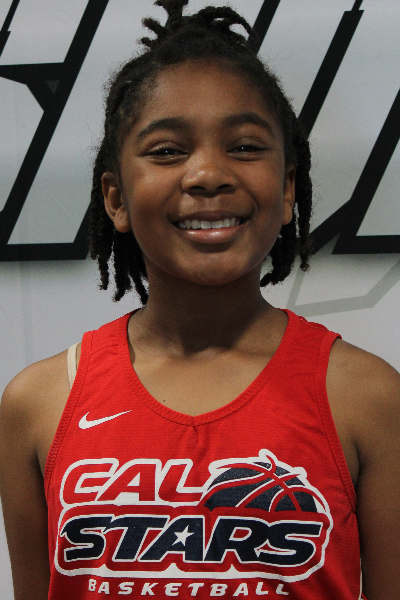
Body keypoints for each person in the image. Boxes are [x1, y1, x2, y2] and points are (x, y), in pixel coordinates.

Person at [0, 1, 399, 598]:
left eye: (245, 147)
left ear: (287, 189)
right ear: (115, 199)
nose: (208, 174)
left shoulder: (367, 398)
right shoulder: (38, 403)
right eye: (167, 151)